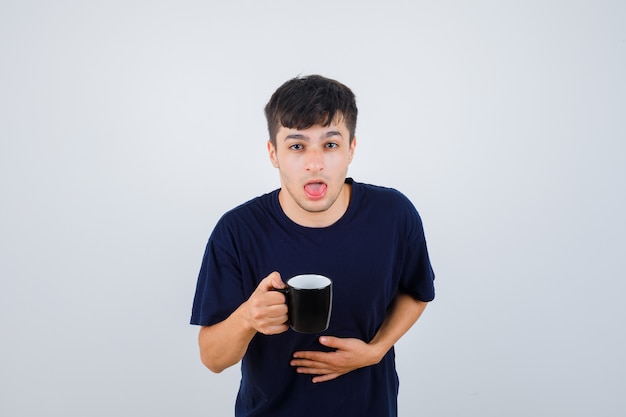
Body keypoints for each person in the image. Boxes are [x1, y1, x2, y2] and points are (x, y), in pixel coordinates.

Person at [190, 74, 435, 417]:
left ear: (351, 148)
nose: (314, 162)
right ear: (273, 153)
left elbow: (417, 291)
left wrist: (376, 350)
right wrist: (248, 317)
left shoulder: (394, 215)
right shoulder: (236, 231)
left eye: (330, 145)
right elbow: (212, 359)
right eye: (297, 146)